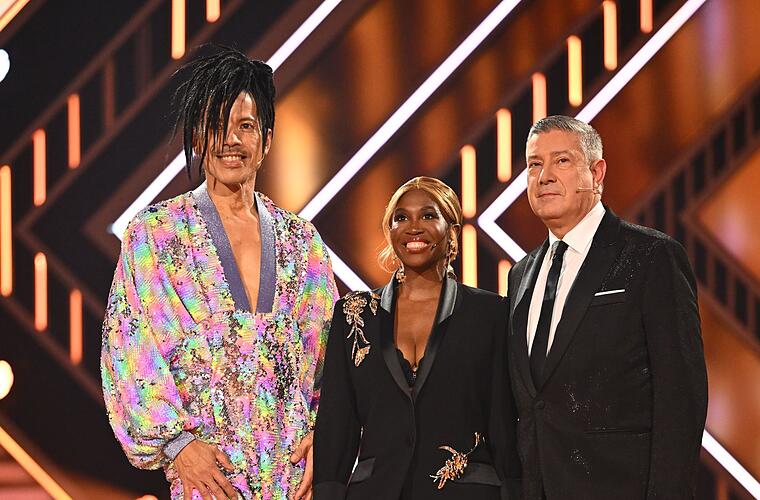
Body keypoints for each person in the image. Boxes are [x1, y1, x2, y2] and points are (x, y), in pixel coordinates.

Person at [101, 46, 338, 500]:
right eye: (216, 125)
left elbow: (332, 359)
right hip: (209, 482)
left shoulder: (302, 243)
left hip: (294, 482)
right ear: (197, 136)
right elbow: (130, 353)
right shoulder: (155, 236)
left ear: (266, 140)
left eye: (245, 126)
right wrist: (178, 447)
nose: (231, 140)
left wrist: (325, 436)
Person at [506, 115, 707, 500]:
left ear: (596, 173)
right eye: (534, 164)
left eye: (561, 161)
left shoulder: (652, 256)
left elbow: (681, 395)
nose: (544, 176)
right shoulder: (520, 275)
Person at [313, 177, 521, 500]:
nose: (413, 227)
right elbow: (336, 426)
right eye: (401, 217)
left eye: (428, 215)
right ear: (390, 231)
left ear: (452, 232)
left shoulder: (491, 313)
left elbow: (502, 424)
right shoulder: (354, 315)